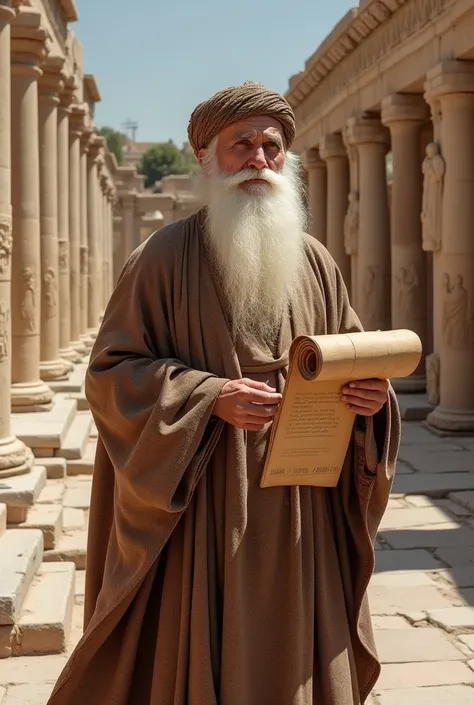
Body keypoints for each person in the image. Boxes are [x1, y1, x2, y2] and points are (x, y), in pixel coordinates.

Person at [47, 81, 399, 705]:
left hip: (302, 508)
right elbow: (110, 373)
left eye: (271, 147)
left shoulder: (316, 262)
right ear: (207, 158)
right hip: (205, 507)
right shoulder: (162, 258)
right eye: (241, 145)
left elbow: (351, 351)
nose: (258, 159)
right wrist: (208, 399)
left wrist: (371, 405)